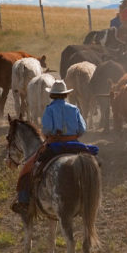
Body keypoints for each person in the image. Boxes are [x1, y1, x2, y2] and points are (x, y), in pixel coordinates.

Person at [11, 80, 87, 215]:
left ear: (52, 95)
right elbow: (82, 129)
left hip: (55, 145)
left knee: (28, 167)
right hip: (75, 145)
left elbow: (46, 130)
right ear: (65, 95)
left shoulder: (49, 109)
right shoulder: (74, 109)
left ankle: (23, 200)